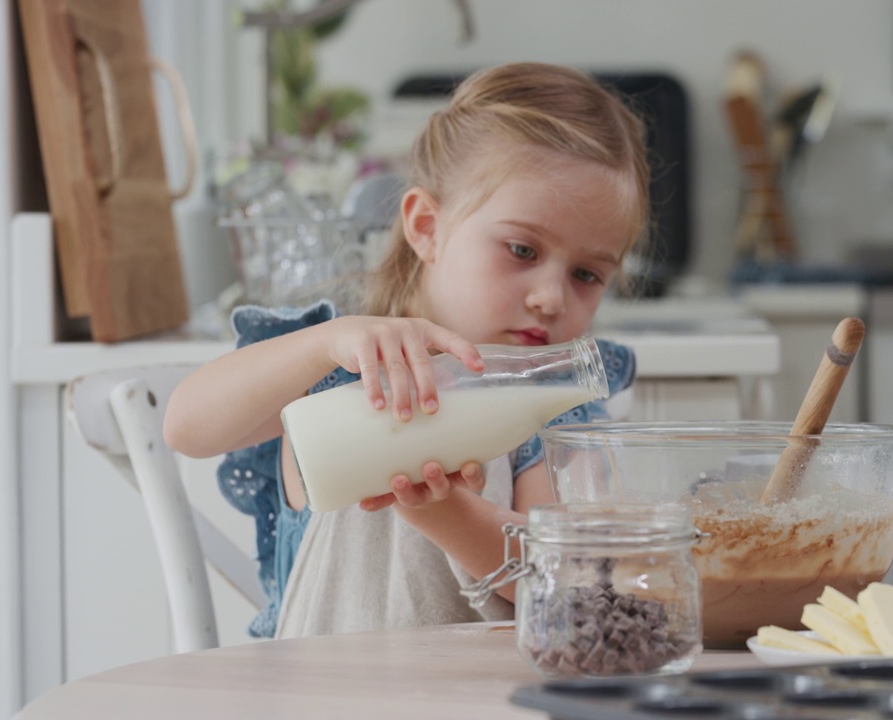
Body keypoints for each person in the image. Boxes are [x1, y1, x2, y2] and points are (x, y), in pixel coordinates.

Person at [164, 62, 649, 639]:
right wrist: (323, 344)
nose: (550, 297)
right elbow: (186, 428)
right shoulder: (334, 369)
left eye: (587, 275)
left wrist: (446, 514)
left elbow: (579, 592)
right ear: (426, 227)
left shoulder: (556, 416)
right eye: (522, 249)